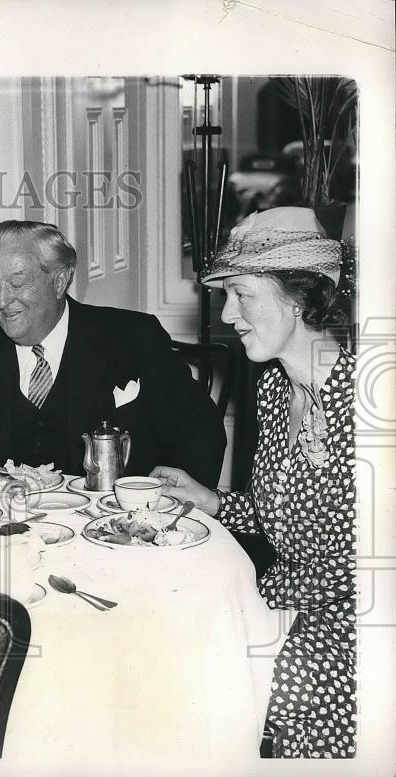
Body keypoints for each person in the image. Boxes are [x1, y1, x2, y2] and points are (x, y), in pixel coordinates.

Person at [151, 206, 355, 758]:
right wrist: (212, 500)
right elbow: (284, 513)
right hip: (280, 602)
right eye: (225, 296)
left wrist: (297, 637)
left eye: (243, 294)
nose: (229, 313)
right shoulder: (271, 388)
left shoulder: (366, 403)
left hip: (352, 630)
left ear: (299, 296)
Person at [0, 220, 226, 488]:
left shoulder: (135, 337)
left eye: (17, 283)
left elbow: (202, 432)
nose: (2, 301)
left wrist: (161, 509)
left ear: (60, 281)